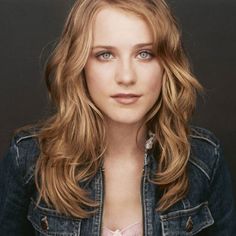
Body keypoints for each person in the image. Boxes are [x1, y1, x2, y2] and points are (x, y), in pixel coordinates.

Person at [0, 0, 235, 235]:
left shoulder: (204, 159)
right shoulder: (29, 159)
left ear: (167, 64)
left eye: (144, 54)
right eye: (105, 55)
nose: (126, 76)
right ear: (79, 64)